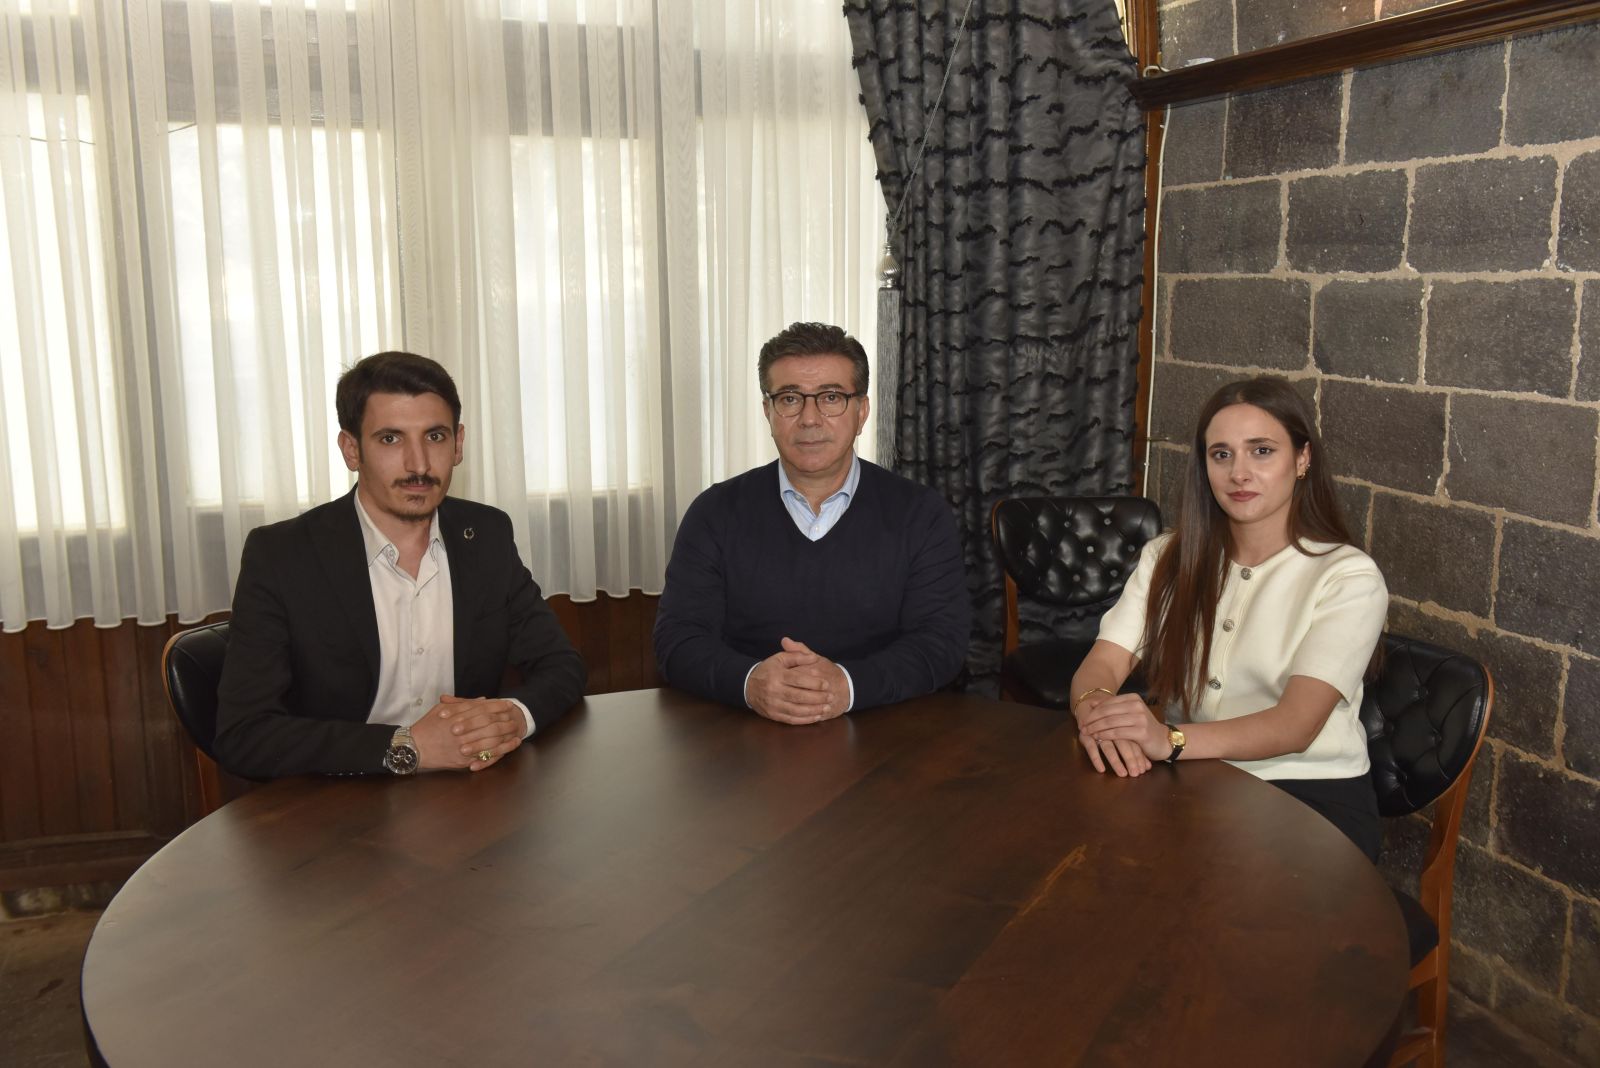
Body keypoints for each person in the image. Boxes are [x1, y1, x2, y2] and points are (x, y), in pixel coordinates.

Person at [215, 351, 586, 780]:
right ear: (351, 450)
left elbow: (562, 665)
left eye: (435, 436)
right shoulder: (282, 555)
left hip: (468, 793)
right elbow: (244, 734)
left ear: (458, 444)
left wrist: (513, 718)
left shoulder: (486, 535)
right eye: (390, 439)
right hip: (338, 799)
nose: (419, 465)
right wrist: (406, 747)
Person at [1071, 376, 1388, 860]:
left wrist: (1168, 740)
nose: (1239, 473)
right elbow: (1105, 663)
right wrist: (1096, 714)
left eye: (1262, 451)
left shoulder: (1348, 577)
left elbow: (1295, 726)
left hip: (1307, 795)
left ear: (1302, 459)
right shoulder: (1167, 557)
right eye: (1221, 454)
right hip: (1197, 777)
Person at [653, 321, 971, 724]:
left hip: (883, 729)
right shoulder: (714, 512)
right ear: (768, 411)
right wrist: (750, 682)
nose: (809, 418)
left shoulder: (920, 514)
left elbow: (941, 642)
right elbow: (678, 638)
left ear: (862, 411)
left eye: (831, 397)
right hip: (742, 729)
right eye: (790, 399)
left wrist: (846, 686)